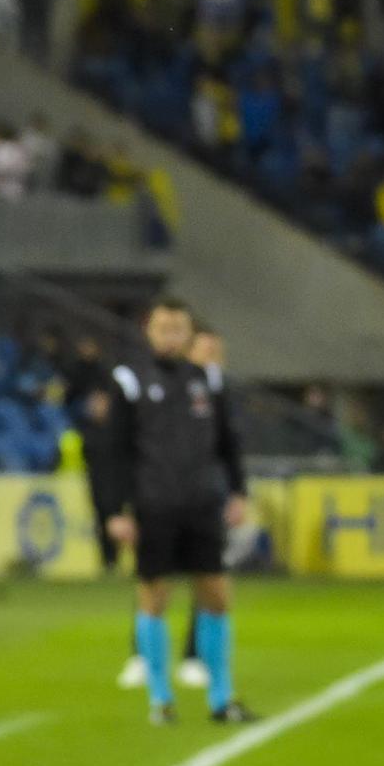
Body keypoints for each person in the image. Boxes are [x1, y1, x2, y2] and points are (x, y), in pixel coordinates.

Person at [100, 297, 254, 725]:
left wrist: (238, 491)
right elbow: (114, 450)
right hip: (154, 504)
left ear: (189, 334)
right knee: (154, 597)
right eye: (163, 328)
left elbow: (228, 442)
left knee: (217, 596)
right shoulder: (130, 379)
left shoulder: (207, 380)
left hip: (202, 503)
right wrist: (116, 509)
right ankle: (160, 699)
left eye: (178, 329)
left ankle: (221, 698)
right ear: (150, 332)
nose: (170, 336)